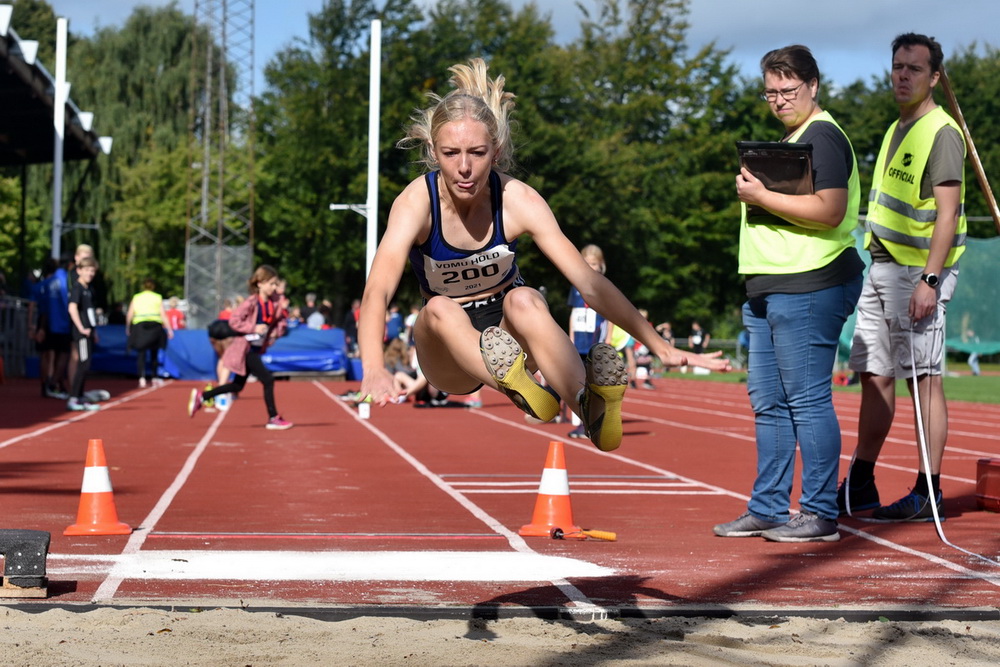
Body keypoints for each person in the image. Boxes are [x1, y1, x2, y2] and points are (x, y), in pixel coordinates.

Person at [356, 58, 730, 452]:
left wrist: (660, 346)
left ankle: (590, 407)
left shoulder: (518, 200)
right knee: (439, 311)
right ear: (433, 150)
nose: (464, 168)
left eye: (477, 152)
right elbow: (377, 289)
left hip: (508, 335)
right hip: (449, 353)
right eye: (451, 153)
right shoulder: (417, 203)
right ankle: (516, 383)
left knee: (527, 297)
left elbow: (588, 282)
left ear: (496, 151)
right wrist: (373, 367)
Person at [713, 44, 864, 543]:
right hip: (770, 287)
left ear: (813, 86)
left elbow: (831, 211)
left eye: (788, 90)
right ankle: (769, 508)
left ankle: (820, 513)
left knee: (807, 400)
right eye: (771, 92)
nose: (778, 100)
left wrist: (760, 195)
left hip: (809, 283)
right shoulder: (794, 137)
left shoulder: (822, 136)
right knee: (770, 403)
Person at [838, 33, 966, 522]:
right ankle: (863, 481)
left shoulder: (942, 131)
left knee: (924, 383)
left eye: (914, 68)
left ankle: (927, 489)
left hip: (918, 274)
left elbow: (948, 215)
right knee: (874, 376)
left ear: (934, 77)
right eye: (897, 66)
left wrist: (930, 282)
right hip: (883, 266)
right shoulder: (896, 128)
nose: (902, 75)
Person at [187, 265, 293, 430]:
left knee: (237, 386)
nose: (274, 287)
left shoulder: (274, 303)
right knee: (268, 379)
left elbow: (279, 322)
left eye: (275, 284)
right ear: (260, 284)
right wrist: (253, 328)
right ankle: (273, 417)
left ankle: (203, 397)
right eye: (271, 283)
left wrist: (276, 332)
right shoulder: (251, 302)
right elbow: (234, 321)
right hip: (246, 348)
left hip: (257, 347)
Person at [566, 244, 610, 438]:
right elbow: (573, 314)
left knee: (593, 382)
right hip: (579, 342)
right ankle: (584, 422)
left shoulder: (604, 287)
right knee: (579, 382)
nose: (591, 267)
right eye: (587, 263)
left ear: (601, 266)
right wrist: (570, 337)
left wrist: (608, 339)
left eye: (594, 264)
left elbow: (610, 315)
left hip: (595, 341)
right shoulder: (575, 287)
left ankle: (594, 421)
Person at [66, 256, 102, 411]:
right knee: (83, 364)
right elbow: (72, 308)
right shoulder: (77, 288)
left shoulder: (89, 289)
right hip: (81, 333)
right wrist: (81, 327)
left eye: (92, 270)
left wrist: (93, 331)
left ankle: (79, 396)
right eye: (87, 270)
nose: (90, 273)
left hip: (89, 332)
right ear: (79, 270)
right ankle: (74, 397)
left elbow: (89, 312)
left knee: (86, 364)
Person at [125, 279, 173, 388]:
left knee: (141, 353)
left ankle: (141, 378)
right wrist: (169, 329)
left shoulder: (137, 297)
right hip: (155, 326)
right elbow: (163, 314)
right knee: (154, 352)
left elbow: (130, 313)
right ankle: (154, 377)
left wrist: (128, 327)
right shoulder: (157, 297)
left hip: (140, 326)